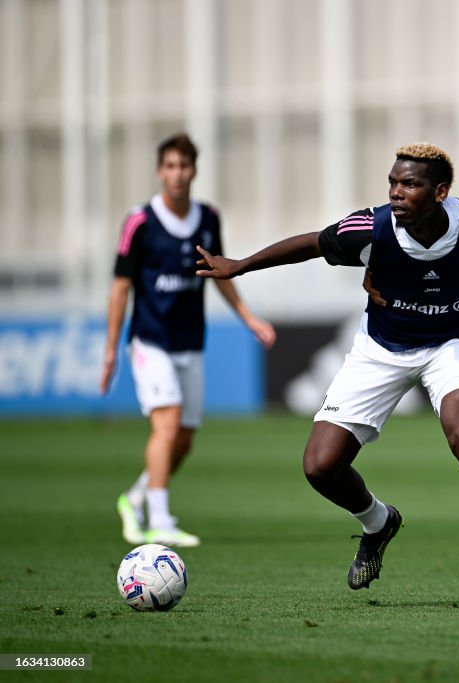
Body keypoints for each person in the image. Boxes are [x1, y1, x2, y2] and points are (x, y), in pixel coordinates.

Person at [196, 143, 459, 612]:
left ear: (440, 192)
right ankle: (378, 522)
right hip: (381, 348)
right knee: (320, 467)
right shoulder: (372, 228)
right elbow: (314, 243)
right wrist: (239, 266)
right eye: (393, 183)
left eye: (410, 184)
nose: (397, 193)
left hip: (453, 344)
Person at [101, 132, 276, 549]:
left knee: (184, 439)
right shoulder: (139, 222)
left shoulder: (208, 219)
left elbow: (220, 275)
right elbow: (121, 287)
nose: (178, 174)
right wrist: (111, 350)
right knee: (167, 424)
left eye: (185, 166)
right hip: (150, 341)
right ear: (160, 171)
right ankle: (160, 521)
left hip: (190, 342)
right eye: (171, 166)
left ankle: (136, 498)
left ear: (194, 171)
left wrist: (249, 317)